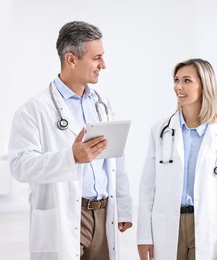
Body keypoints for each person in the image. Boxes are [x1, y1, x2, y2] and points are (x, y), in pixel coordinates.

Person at [8, 21, 133, 260]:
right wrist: (70, 158)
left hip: (104, 213)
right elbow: (19, 166)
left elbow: (117, 160)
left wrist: (124, 206)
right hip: (65, 214)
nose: (103, 65)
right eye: (97, 58)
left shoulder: (102, 104)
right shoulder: (33, 110)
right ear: (71, 59)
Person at [136, 58, 217, 260]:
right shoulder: (160, 130)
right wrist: (144, 236)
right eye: (176, 80)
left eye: (186, 81)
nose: (178, 87)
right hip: (167, 224)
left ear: (204, 85)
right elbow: (147, 187)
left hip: (206, 225)